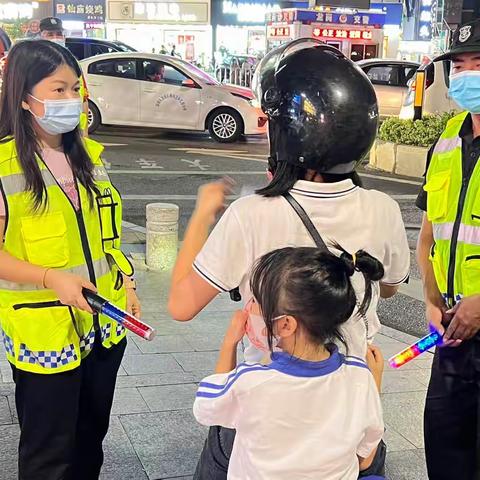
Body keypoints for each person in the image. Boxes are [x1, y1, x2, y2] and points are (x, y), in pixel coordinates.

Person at [168, 39, 409, 478]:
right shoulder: (384, 209)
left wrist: (203, 213)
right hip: (346, 407)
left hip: (265, 414)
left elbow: (182, 306)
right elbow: (388, 286)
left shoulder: (252, 213)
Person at [0, 40, 140, 480]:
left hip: (103, 326)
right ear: (25, 96)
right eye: (57, 90)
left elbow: (104, 237)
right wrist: (48, 277)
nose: (71, 100)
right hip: (47, 334)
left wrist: (127, 283)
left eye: (75, 89)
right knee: (49, 455)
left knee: (88, 442)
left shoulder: (88, 157)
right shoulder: (5, 165)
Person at [194, 246, 386, 479]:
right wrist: (373, 382)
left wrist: (229, 343)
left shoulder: (252, 382)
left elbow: (208, 409)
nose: (249, 307)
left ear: (286, 324)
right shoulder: (360, 378)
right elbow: (365, 460)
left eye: (256, 300)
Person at [416, 19, 480, 480]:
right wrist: (431, 298)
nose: (467, 75)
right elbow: (427, 233)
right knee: (445, 452)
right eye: (460, 65)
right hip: (454, 334)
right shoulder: (448, 137)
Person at [40, 17, 90, 136]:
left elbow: (83, 99)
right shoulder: (34, 64)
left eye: (59, 34)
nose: (55, 38)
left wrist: (85, 134)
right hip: (45, 130)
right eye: (50, 34)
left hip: (74, 131)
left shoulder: (73, 63)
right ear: (41, 36)